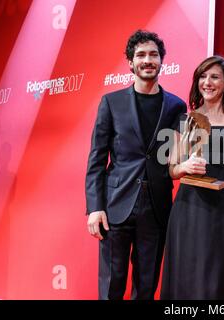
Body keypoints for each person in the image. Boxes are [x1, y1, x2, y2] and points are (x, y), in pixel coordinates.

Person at [85, 30, 186, 300]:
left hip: (156, 207)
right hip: (116, 205)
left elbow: (178, 155)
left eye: (153, 54)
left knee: (147, 285)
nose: (147, 60)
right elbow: (96, 159)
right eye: (140, 55)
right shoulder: (111, 102)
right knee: (111, 286)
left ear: (161, 60)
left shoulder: (176, 106)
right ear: (131, 63)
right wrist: (95, 208)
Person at [160, 56, 224, 299]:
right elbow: (172, 170)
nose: (207, 82)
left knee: (220, 279)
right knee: (190, 279)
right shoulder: (185, 120)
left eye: (215, 77)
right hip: (190, 210)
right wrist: (185, 165)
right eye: (202, 77)